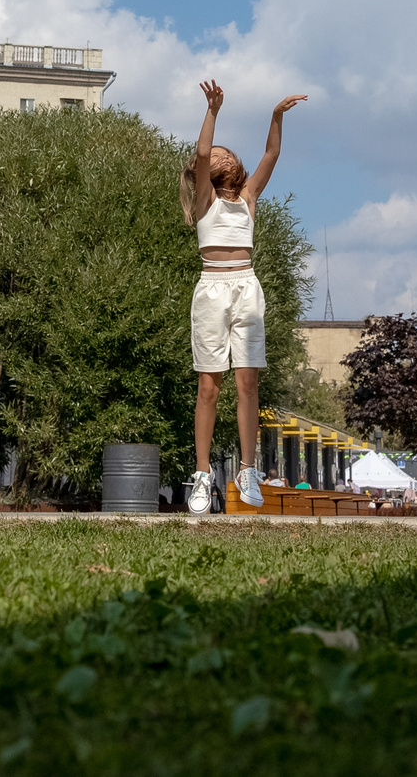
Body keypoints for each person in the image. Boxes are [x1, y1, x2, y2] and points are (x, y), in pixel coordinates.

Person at [180, 79, 305, 515]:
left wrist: (276, 116)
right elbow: (201, 154)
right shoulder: (205, 200)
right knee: (208, 386)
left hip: (246, 287)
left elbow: (271, 154)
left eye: (227, 153)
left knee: (247, 382)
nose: (223, 156)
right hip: (211, 289)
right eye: (219, 156)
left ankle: (247, 470)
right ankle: (202, 474)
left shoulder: (248, 197)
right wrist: (212, 111)